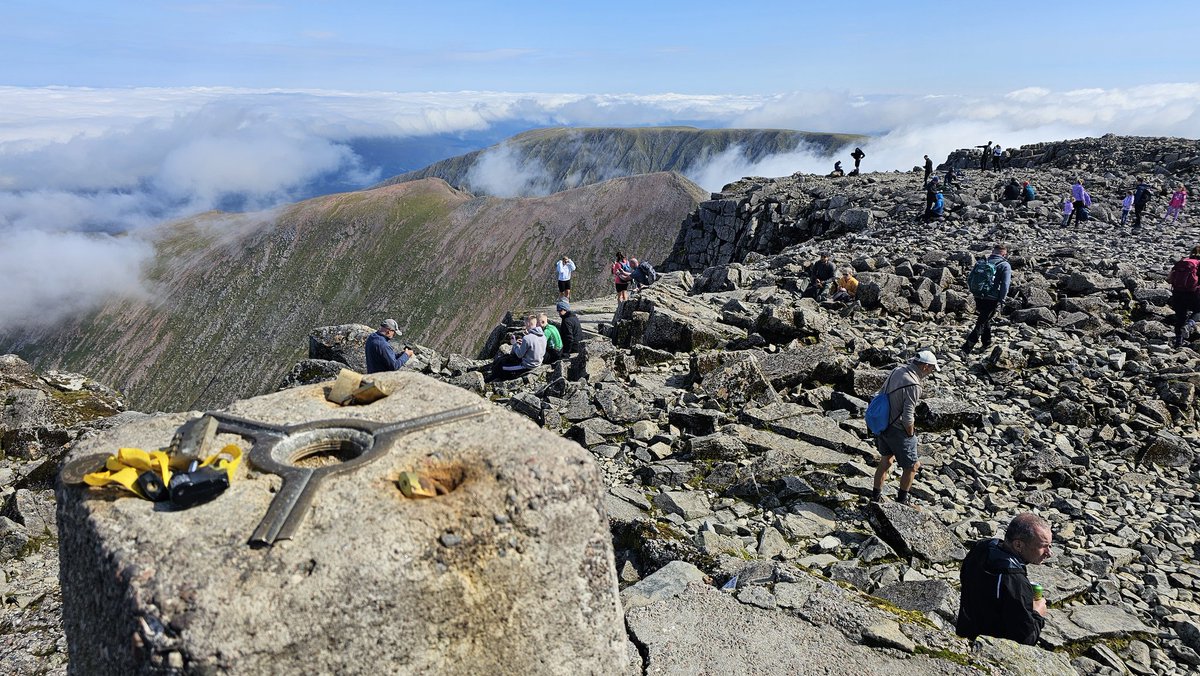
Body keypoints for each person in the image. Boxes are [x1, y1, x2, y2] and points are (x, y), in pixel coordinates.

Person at [957, 513, 1052, 646]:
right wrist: (1037, 613)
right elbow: (1026, 639)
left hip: (964, 630)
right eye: (1044, 546)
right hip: (990, 648)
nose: (1049, 553)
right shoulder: (1014, 581)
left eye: (1050, 546)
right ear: (1018, 545)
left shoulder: (982, 548)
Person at [870, 351, 938, 505]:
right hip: (897, 429)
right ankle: (902, 502)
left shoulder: (897, 370)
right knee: (913, 466)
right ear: (926, 366)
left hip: (882, 424)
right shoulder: (914, 385)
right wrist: (911, 434)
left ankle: (875, 497)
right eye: (932, 369)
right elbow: (907, 418)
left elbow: (881, 393)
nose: (931, 373)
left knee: (886, 461)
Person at [963, 243, 1013, 353]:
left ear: (993, 252)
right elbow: (1005, 284)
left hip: (978, 294)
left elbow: (970, 278)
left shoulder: (982, 262)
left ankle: (987, 342)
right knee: (981, 322)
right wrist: (1002, 299)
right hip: (992, 298)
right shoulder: (1004, 265)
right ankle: (966, 348)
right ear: (1004, 254)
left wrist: (973, 291)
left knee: (985, 318)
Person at [493, 314, 547, 379]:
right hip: (538, 363)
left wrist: (514, 344)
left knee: (501, 367)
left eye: (525, 325)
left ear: (528, 324)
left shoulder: (527, 338)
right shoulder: (543, 336)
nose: (525, 327)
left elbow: (519, 355)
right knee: (504, 359)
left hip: (527, 366)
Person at [1166, 246, 1200, 348]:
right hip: (1193, 294)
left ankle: (1178, 343)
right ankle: (1189, 325)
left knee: (1180, 317)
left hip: (1177, 293)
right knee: (1198, 311)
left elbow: (1169, 279)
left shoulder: (1182, 262)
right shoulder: (1198, 264)